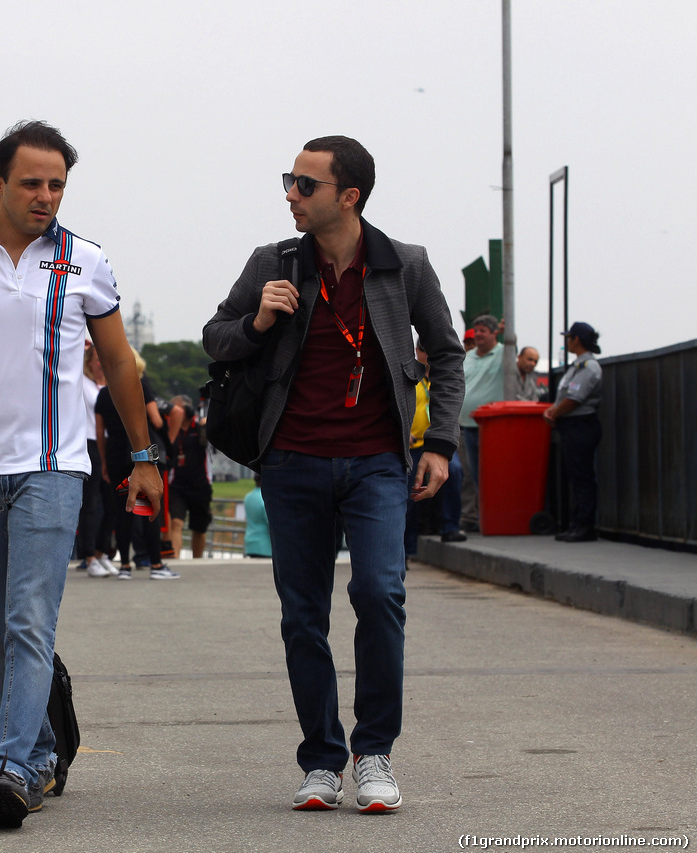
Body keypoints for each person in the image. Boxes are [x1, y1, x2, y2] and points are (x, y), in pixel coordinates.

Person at [0, 120, 163, 830]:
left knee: (28, 618)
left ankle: (9, 768)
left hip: (53, 467)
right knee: (0, 628)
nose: (46, 196)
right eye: (32, 183)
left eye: (57, 184)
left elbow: (123, 369)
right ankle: (41, 751)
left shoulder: (86, 261)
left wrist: (144, 458)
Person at [202, 136, 464, 813]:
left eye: (304, 184)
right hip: (290, 463)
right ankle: (321, 758)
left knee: (380, 595)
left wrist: (439, 442)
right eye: (288, 181)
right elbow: (216, 337)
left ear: (348, 196)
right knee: (302, 616)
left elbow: (446, 352)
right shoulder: (275, 261)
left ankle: (372, 750)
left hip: (377, 462)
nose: (290, 193)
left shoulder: (403, 266)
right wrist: (259, 319)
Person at [95, 348, 178, 579]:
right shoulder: (140, 386)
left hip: (114, 456)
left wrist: (103, 462)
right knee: (149, 509)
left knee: (124, 512)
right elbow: (156, 418)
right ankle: (156, 565)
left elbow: (100, 433)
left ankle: (125, 566)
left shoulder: (103, 394)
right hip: (141, 454)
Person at [406, 340, 466, 560]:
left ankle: (450, 527)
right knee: (411, 494)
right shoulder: (411, 375)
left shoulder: (444, 377)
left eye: (429, 348)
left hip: (439, 443)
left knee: (456, 472)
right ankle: (408, 549)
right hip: (414, 444)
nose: (427, 353)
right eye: (423, 348)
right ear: (417, 351)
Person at [544, 322, 603, 542]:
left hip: (581, 425)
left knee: (582, 477)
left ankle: (584, 526)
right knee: (576, 476)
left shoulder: (588, 366)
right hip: (573, 426)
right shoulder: (578, 365)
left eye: (569, 338)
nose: (567, 341)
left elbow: (574, 399)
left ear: (576, 340)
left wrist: (554, 413)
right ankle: (577, 524)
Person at [457, 314, 503, 530]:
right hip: (465, 426)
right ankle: (472, 517)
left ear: (495, 333)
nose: (478, 335)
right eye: (476, 330)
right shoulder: (468, 357)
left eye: (483, 330)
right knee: (469, 475)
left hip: (492, 429)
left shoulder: (504, 354)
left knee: (492, 474)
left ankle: (492, 516)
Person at [78, 343, 117, 577]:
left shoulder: (112, 384)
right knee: (91, 503)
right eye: (96, 359)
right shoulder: (83, 383)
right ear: (89, 362)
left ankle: (103, 552)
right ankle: (89, 555)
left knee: (112, 503)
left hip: (110, 445)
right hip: (89, 442)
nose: (101, 364)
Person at [166, 394, 212, 559]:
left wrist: (207, 425)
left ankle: (197, 560)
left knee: (199, 528)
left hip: (200, 483)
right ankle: (176, 558)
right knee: (176, 522)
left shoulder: (199, 428)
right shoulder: (170, 428)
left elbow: (212, 441)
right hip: (177, 484)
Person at [243, 472, 271, 559]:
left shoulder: (248, 497)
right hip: (265, 545)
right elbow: (269, 522)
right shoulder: (265, 498)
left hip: (250, 542)